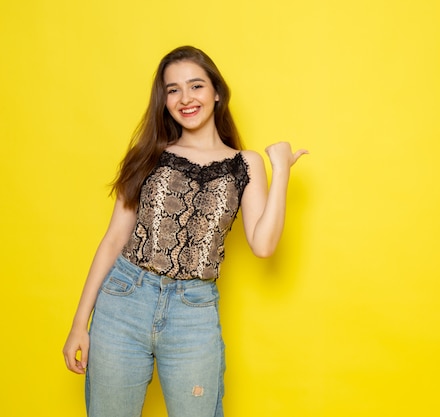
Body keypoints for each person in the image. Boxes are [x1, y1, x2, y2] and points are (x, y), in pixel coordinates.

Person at [62, 45, 307, 417]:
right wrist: (80, 324)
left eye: (196, 86)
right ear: (164, 100)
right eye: (173, 89)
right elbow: (113, 239)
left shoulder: (246, 163)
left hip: (193, 311)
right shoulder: (149, 154)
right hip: (124, 300)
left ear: (216, 92)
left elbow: (263, 245)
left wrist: (282, 171)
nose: (185, 98)